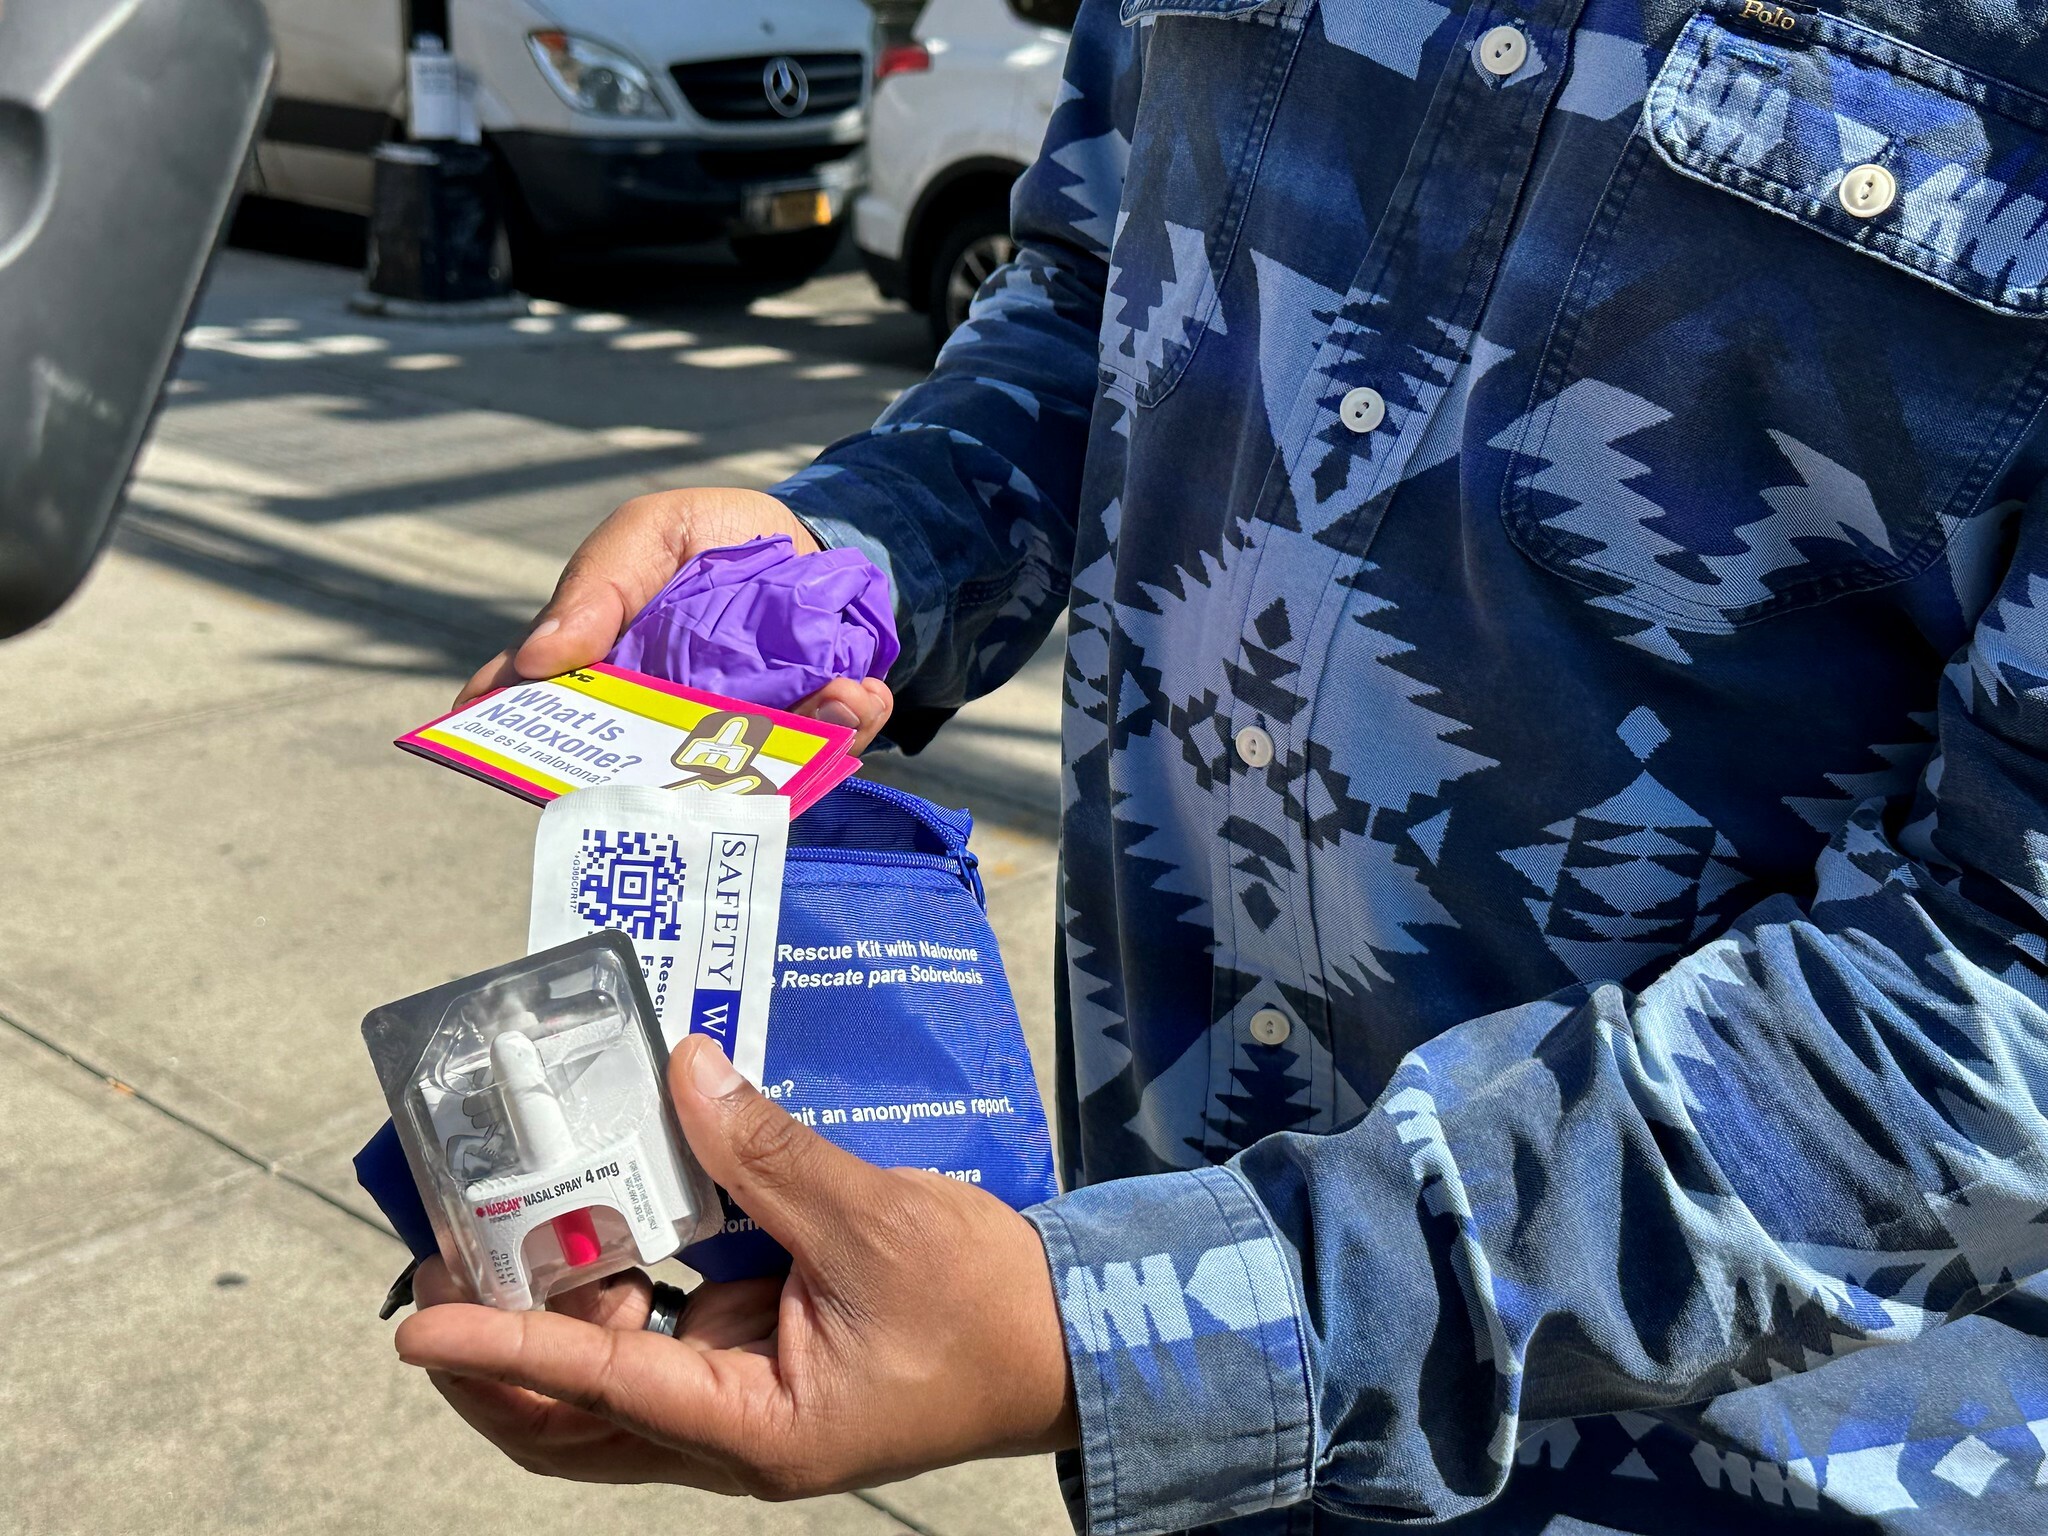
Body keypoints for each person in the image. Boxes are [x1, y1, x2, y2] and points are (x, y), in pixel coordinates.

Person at [392, 0, 2048, 1530]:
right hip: (1173, 1382)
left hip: (1738, 1468)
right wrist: (851, 565)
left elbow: (2011, 983)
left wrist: (1149, 1325)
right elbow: (1087, 308)